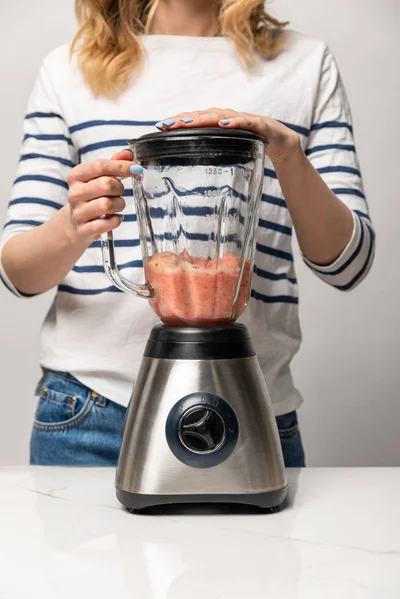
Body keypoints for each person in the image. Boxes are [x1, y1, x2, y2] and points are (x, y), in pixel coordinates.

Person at [0, 0, 374, 468]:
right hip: (90, 416)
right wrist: (75, 222)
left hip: (255, 407)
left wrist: (286, 153)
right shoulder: (69, 68)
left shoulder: (306, 64)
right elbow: (18, 272)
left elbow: (349, 263)